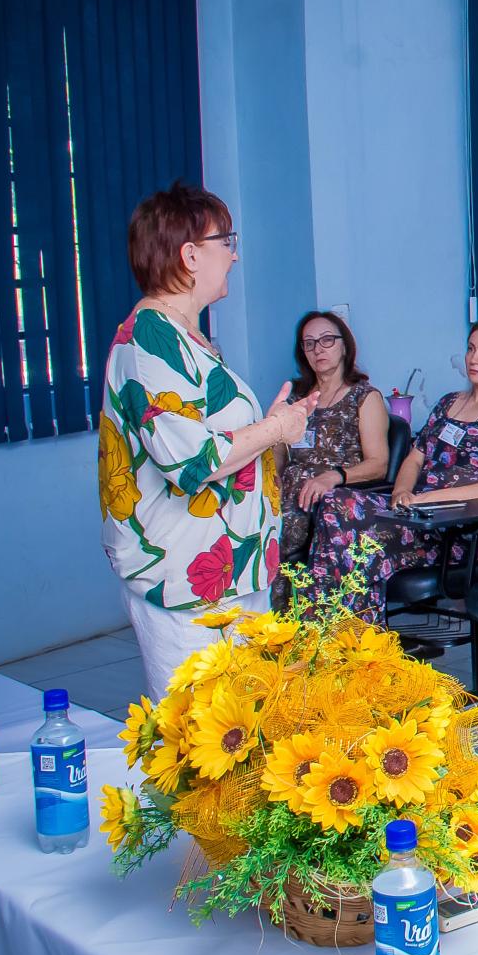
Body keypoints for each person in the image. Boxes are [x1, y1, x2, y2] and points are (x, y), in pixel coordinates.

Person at [101, 181, 312, 696]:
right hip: (188, 581)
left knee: (247, 724)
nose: (234, 257)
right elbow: (191, 461)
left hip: (231, 569)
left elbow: (213, 435)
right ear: (190, 255)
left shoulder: (185, 336)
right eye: (226, 242)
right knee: (201, 728)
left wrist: (269, 428)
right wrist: (276, 428)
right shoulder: (149, 339)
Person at [304, 320, 478, 623]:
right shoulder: (449, 402)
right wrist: (403, 491)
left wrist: (432, 499)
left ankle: (357, 641)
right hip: (414, 513)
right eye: (470, 349)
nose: (474, 358)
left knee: (361, 543)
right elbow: (414, 459)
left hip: (457, 527)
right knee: (334, 502)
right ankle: (325, 634)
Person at [278, 311, 390, 573]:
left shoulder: (364, 396)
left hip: (331, 495)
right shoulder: (295, 397)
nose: (318, 349)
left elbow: (379, 464)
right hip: (288, 492)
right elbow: (278, 452)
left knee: (279, 528)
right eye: (309, 343)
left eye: (327, 340)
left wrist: (332, 477)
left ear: (344, 346)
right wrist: (270, 482)